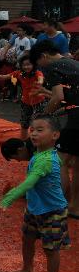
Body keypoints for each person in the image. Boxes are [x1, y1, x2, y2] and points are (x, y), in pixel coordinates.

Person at [0, 116, 70, 272]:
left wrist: (7, 200)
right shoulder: (39, 154)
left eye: (40, 130)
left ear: (55, 135)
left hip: (52, 210)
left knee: (51, 249)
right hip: (35, 208)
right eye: (32, 130)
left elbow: (28, 183)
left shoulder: (45, 160)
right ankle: (27, 268)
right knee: (27, 238)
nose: (34, 133)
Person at [30, 40, 79, 218]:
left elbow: (58, 96)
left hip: (74, 121)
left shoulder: (54, 67)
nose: (40, 68)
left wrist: (44, 117)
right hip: (75, 115)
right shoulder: (73, 63)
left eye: (38, 63)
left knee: (60, 162)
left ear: (44, 56)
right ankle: (75, 206)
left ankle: (58, 204)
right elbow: (69, 97)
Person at [0, 53, 46, 141]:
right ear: (21, 66)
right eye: (24, 65)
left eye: (29, 64)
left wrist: (39, 83)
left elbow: (40, 79)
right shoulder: (18, 73)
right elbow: (3, 77)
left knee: (39, 123)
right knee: (24, 123)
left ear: (33, 65)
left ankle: (40, 143)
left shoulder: (37, 73)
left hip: (39, 102)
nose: (26, 67)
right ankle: (24, 142)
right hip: (25, 102)